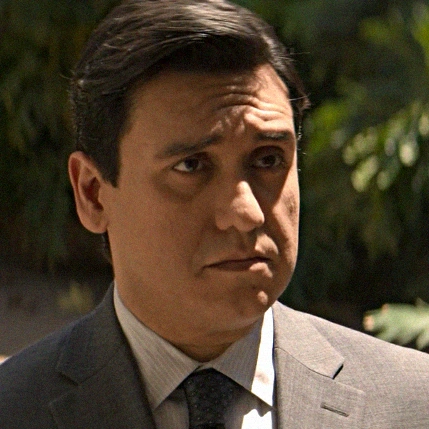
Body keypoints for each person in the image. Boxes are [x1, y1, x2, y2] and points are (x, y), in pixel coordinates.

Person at [1, 0, 429, 428]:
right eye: (192, 166)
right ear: (93, 195)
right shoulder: (16, 409)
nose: (246, 212)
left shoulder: (411, 403)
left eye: (268, 159)